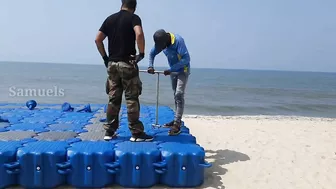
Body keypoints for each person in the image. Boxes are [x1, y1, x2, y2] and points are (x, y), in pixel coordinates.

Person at [95, 0, 153, 142]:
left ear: (122, 4)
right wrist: (142, 53)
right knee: (131, 98)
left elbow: (97, 39)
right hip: (127, 63)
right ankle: (136, 133)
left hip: (112, 64)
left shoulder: (110, 19)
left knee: (113, 98)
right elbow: (139, 34)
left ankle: (109, 131)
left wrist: (105, 58)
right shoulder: (134, 18)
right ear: (134, 6)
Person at [147, 29, 190, 136]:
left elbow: (186, 59)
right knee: (175, 96)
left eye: (162, 46)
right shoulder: (161, 44)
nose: (161, 48)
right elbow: (152, 54)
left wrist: (171, 69)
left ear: (166, 41)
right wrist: (150, 66)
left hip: (182, 70)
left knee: (179, 94)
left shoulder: (178, 41)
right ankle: (176, 119)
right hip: (172, 71)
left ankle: (177, 123)